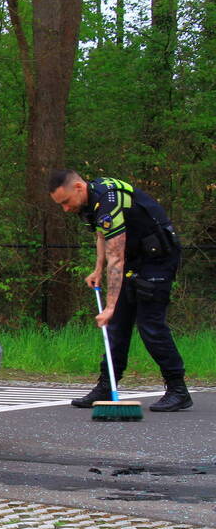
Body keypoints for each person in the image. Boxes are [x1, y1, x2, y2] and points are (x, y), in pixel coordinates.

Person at [48, 169, 191, 412]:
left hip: (157, 258)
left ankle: (178, 389)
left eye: (66, 201)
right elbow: (102, 236)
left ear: (78, 188)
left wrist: (110, 306)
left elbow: (116, 258)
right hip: (134, 257)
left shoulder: (109, 200)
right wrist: (97, 269)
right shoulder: (91, 202)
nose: (65, 208)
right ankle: (106, 386)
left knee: (150, 324)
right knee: (117, 325)